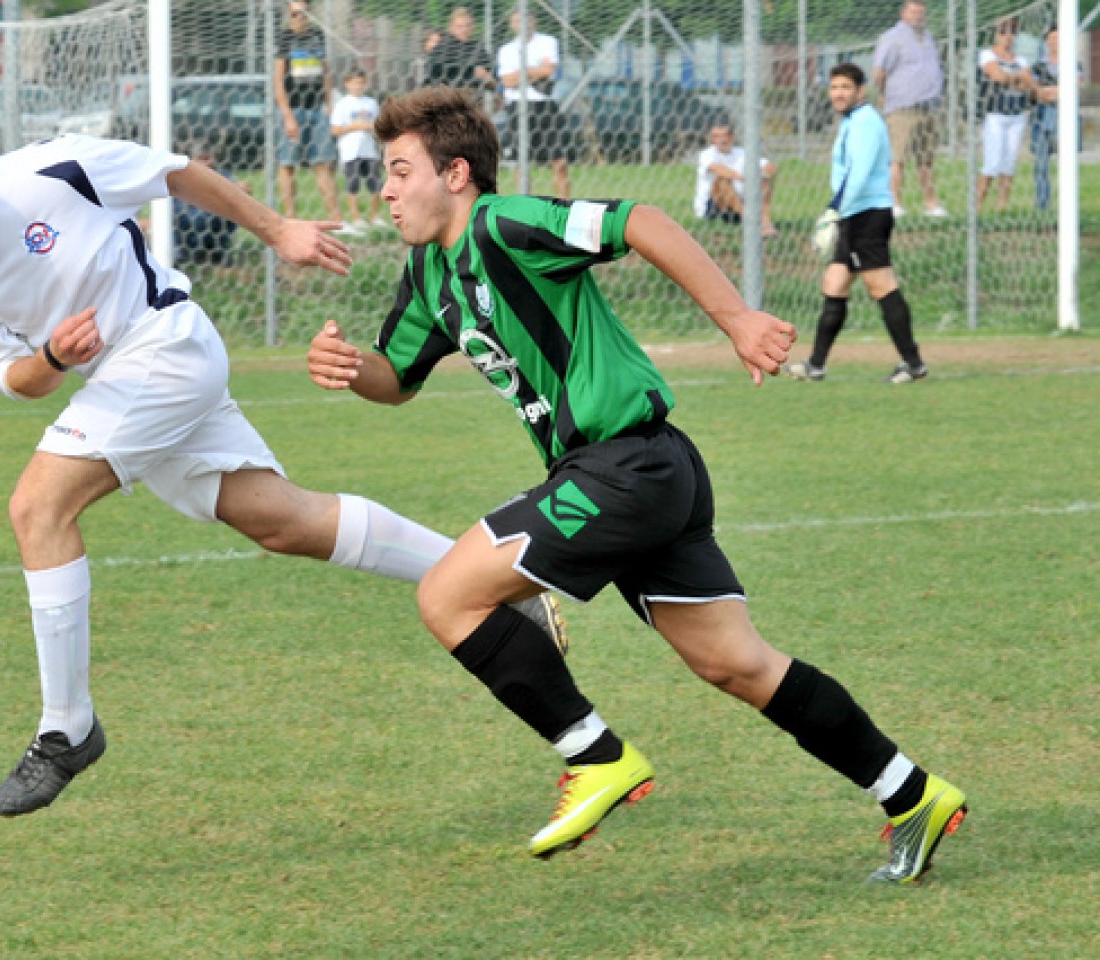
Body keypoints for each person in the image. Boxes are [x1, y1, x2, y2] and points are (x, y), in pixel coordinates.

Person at [0, 92, 568, 818]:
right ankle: (503, 584)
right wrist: (48, 356)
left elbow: (173, 171)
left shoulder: (52, 170)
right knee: (286, 523)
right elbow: (15, 380)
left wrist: (276, 231)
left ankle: (66, 727)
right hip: (119, 386)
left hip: (165, 348)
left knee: (37, 507)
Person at [306, 85, 968, 883]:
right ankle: (911, 794)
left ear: (455, 174)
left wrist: (736, 320)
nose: (383, 188)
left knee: (447, 594)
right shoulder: (428, 276)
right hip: (648, 471)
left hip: (625, 466)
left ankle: (595, 757)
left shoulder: (506, 223)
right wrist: (353, 371)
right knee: (736, 664)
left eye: (398, 169)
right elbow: (397, 377)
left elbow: (639, 221)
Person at [785, 64, 929, 385]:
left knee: (881, 285)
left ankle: (913, 362)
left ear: (860, 91)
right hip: (854, 214)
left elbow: (860, 173)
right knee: (834, 284)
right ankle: (816, 365)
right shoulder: (853, 121)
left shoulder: (866, 122)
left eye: (845, 87)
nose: (838, 93)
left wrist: (835, 210)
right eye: (834, 87)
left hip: (867, 215)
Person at [872, 1, 949, 218]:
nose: (918, 15)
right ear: (903, 13)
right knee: (898, 158)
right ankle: (894, 203)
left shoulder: (928, 37)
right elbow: (879, 71)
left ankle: (931, 204)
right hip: (902, 107)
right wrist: (884, 93)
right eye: (913, 11)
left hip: (928, 107)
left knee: (926, 160)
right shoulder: (892, 37)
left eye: (921, 12)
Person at [274, 0, 342, 222]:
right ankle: (291, 218)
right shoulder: (284, 38)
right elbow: (278, 80)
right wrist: (287, 115)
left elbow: (326, 72)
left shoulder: (317, 36)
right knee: (288, 164)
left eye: (303, 13)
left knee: (323, 163)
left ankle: (337, 220)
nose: (299, 17)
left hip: (316, 109)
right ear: (289, 14)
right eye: (295, 13)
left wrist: (329, 105)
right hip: (293, 110)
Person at [496, 8, 569, 200]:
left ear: (533, 21)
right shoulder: (506, 50)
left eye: (524, 20)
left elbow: (549, 70)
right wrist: (534, 71)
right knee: (522, 162)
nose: (521, 25)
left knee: (559, 160)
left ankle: (565, 205)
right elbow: (506, 81)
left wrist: (521, 72)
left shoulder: (548, 42)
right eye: (516, 21)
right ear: (512, 25)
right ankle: (525, 205)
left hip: (544, 105)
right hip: (518, 107)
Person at [976, 18, 1036, 213]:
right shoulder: (986, 54)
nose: (1007, 36)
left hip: (1017, 115)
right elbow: (996, 76)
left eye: (1011, 32)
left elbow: (1028, 83)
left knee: (1009, 162)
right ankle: (977, 206)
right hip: (996, 114)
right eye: (1003, 32)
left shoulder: (1021, 60)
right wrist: (1017, 79)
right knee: (992, 161)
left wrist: (1013, 79)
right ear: (996, 34)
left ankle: (1002, 206)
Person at [692, 122, 778, 238]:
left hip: (740, 202)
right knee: (722, 179)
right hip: (715, 206)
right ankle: (752, 222)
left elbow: (769, 166)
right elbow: (718, 169)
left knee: (765, 178)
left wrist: (765, 172)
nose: (721, 140)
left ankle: (765, 222)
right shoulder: (707, 154)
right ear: (712, 139)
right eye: (717, 136)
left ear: (732, 137)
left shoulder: (742, 153)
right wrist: (744, 178)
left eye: (724, 136)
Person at [330, 68, 385, 232]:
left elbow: (379, 125)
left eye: (361, 83)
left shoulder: (371, 103)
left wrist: (372, 127)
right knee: (353, 184)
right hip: (350, 151)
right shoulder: (342, 104)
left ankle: (374, 216)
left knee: (375, 183)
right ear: (347, 84)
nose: (358, 86)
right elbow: (335, 130)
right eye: (354, 83)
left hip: (369, 150)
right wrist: (353, 126)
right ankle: (355, 217)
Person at [1029, 25, 1077, 213]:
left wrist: (1049, 92)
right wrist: (1053, 92)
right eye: (1052, 38)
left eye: (1059, 38)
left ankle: (1068, 206)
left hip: (1063, 117)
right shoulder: (1037, 67)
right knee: (1040, 164)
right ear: (1047, 42)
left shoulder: (1073, 64)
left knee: (1066, 163)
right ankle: (1042, 205)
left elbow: (1072, 89)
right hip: (1041, 116)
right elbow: (1034, 93)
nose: (1055, 42)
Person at [424, 7, 495, 96]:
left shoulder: (478, 48)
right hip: (445, 102)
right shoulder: (442, 48)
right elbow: (431, 80)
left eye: (468, 25)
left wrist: (487, 78)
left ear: (473, 26)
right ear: (451, 28)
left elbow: (492, 85)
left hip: (472, 102)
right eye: (459, 26)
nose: (464, 30)